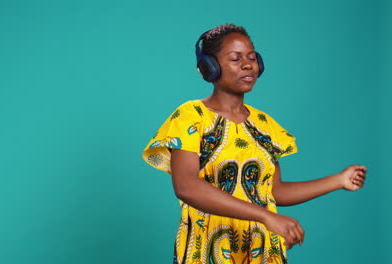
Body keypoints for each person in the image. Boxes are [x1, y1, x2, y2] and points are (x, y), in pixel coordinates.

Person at [142, 24, 366, 264]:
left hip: (262, 249)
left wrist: (338, 180)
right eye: (235, 59)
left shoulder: (265, 126)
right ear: (210, 67)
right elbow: (187, 186)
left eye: (252, 57)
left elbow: (273, 191)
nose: (248, 65)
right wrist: (265, 216)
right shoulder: (191, 116)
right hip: (207, 248)